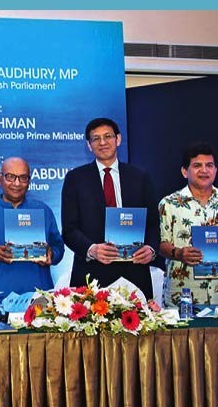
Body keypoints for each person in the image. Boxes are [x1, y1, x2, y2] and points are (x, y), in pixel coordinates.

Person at [60, 117, 160, 299]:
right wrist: (92, 249)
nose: (103, 142)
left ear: (118, 139)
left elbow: (153, 223)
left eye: (108, 136)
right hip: (91, 275)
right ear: (89, 145)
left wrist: (151, 249)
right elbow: (69, 230)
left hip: (135, 274)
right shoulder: (75, 179)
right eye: (96, 138)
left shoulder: (140, 177)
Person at [159, 142, 218, 306]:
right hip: (183, 292)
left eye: (209, 165)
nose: (204, 170)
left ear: (215, 170)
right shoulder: (169, 204)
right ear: (185, 171)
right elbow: (161, 243)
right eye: (197, 165)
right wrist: (179, 253)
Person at [0, 156, 64, 294]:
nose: (17, 183)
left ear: (29, 181)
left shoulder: (43, 211)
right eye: (10, 177)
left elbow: (59, 249)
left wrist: (51, 253)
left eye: (23, 177)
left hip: (39, 300)